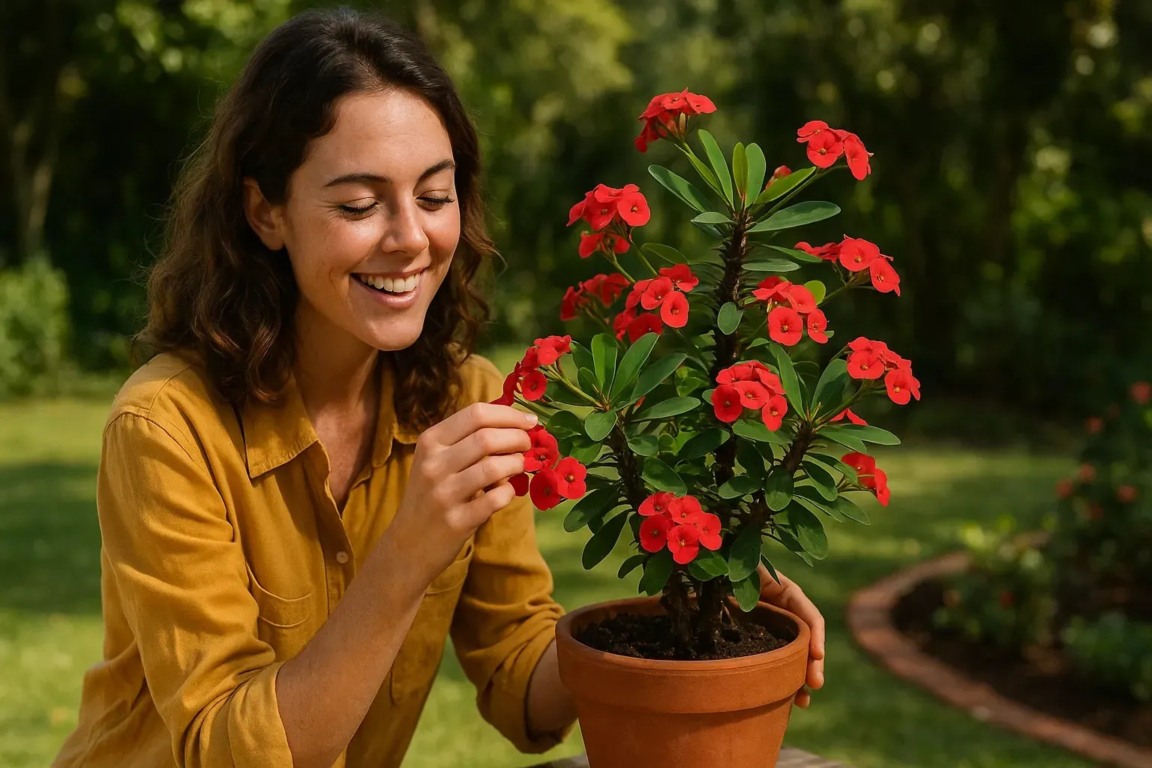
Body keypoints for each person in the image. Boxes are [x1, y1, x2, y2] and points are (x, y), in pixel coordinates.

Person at [53, 7, 826, 768]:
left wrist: (689, 604)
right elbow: (228, 751)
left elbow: (523, 683)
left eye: (433, 195)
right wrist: (409, 551)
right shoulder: (166, 428)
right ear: (266, 211)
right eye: (358, 205)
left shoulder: (463, 397)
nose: (411, 239)